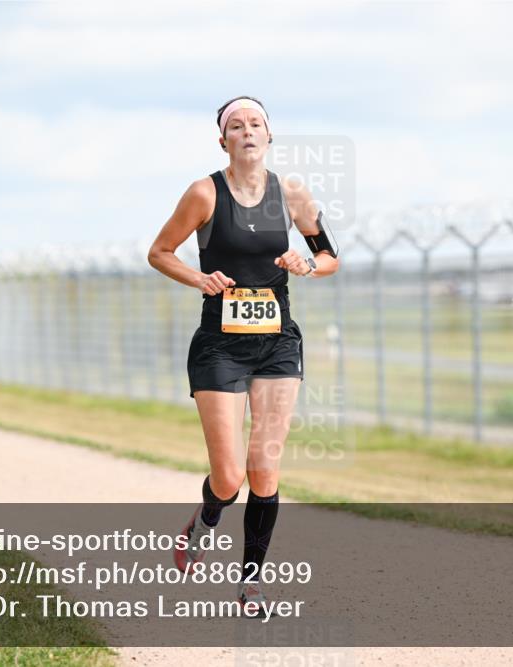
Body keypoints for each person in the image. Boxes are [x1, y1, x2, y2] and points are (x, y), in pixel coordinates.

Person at [147, 96, 340, 610]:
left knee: (265, 469)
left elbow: (330, 256)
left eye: (257, 123)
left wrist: (306, 264)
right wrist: (199, 278)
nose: (248, 131)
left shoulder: (292, 193)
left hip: (278, 342)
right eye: (237, 125)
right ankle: (207, 517)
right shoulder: (204, 193)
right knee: (230, 477)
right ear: (223, 140)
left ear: (270, 136)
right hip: (219, 346)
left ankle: (250, 582)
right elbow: (159, 252)